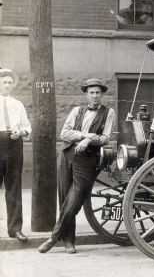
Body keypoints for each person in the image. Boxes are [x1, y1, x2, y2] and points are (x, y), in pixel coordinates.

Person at [38, 79, 115, 254]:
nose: (95, 96)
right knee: (65, 198)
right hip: (67, 155)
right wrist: (84, 135)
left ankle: (53, 237)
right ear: (86, 94)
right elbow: (64, 133)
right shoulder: (76, 111)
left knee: (75, 199)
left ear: (101, 94)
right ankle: (69, 241)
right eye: (91, 92)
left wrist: (89, 140)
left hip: (88, 159)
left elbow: (105, 138)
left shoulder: (109, 112)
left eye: (97, 92)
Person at [0, 69, 31, 242]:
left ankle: (15, 229)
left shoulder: (18, 104)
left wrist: (20, 131)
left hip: (14, 146)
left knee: (14, 188)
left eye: (10, 83)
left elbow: (28, 127)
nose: (7, 85)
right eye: (4, 82)